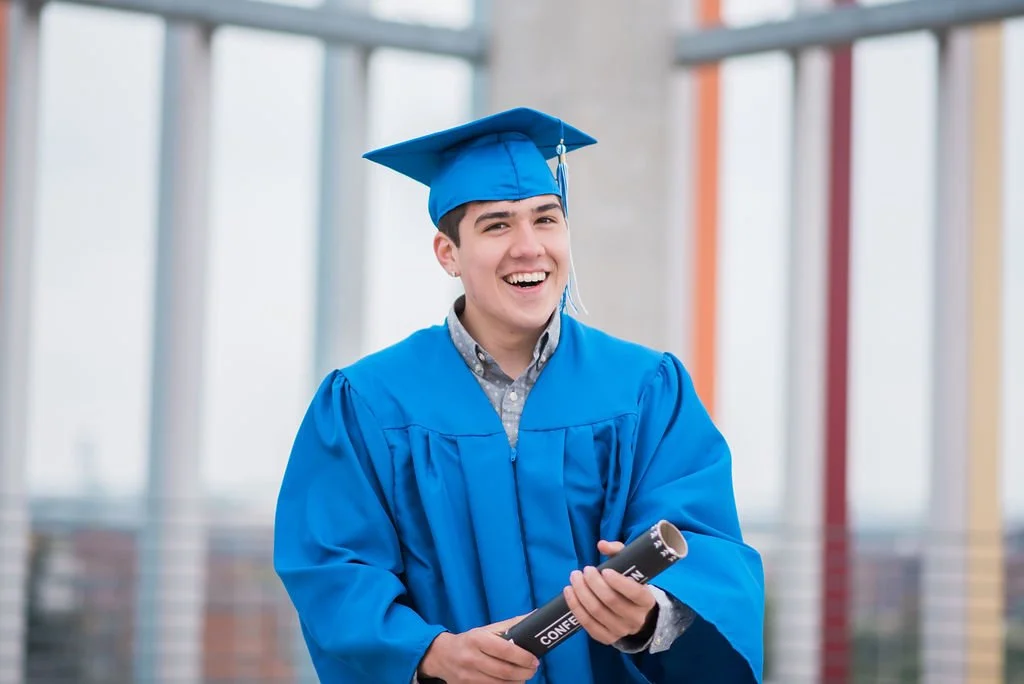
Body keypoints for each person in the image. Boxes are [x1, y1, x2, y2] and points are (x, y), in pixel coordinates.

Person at [274, 107, 764, 684]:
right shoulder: (369, 403)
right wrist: (427, 652)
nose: (530, 247)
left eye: (546, 219)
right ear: (447, 253)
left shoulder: (645, 389)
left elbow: (707, 545)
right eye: (497, 225)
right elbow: (333, 567)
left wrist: (649, 615)